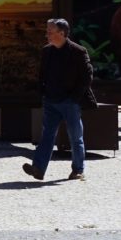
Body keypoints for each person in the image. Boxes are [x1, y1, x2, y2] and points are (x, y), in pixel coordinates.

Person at [24, 18, 97, 182]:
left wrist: (74, 98)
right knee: (47, 136)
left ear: (62, 33)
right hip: (51, 100)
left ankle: (78, 170)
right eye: (47, 32)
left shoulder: (78, 51)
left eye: (50, 32)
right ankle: (38, 169)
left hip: (70, 102)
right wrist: (43, 92)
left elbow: (87, 77)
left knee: (75, 137)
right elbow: (42, 74)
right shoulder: (47, 51)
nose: (47, 35)